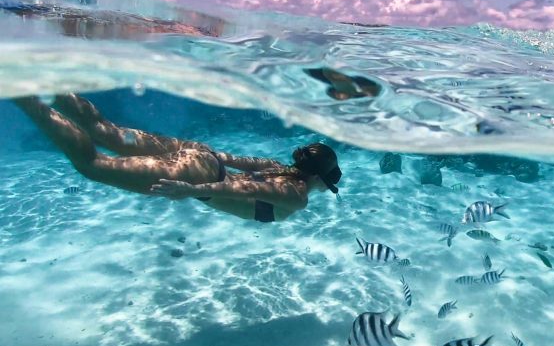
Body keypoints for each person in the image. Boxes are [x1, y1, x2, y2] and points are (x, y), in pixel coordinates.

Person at [13, 94, 341, 222]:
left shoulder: (279, 168)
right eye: (328, 183)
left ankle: (52, 89)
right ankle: (25, 96)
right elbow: (242, 191)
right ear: (317, 178)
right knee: (93, 165)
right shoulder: (296, 196)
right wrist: (187, 188)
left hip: (204, 157)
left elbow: (237, 159)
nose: (326, 189)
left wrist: (200, 155)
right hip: (201, 177)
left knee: (106, 131)